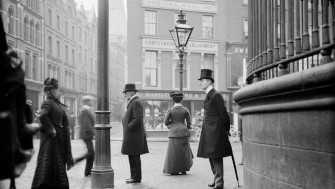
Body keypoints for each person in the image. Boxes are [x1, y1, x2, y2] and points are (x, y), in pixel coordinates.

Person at [31, 78, 74, 189]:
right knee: (46, 176)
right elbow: (43, 116)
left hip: (58, 145)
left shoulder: (57, 105)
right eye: (57, 90)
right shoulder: (48, 103)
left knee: (56, 175)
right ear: (51, 91)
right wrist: (51, 130)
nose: (59, 92)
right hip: (50, 145)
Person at [197, 69, 232, 189]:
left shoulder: (216, 95)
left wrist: (226, 129)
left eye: (202, 81)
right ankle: (216, 178)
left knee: (216, 156)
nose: (200, 83)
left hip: (215, 131)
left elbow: (223, 114)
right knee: (211, 156)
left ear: (208, 81)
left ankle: (219, 182)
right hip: (209, 131)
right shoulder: (209, 95)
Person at [121, 84, 149, 184]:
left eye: (126, 92)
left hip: (133, 135)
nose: (125, 95)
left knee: (134, 157)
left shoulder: (136, 102)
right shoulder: (133, 102)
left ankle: (136, 177)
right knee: (132, 156)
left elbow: (137, 119)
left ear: (131, 92)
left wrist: (128, 127)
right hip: (132, 135)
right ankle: (134, 177)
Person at [163, 92, 193, 175]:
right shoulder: (185, 109)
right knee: (183, 152)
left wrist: (172, 125)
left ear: (173, 100)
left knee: (174, 152)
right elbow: (189, 123)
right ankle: (183, 169)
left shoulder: (170, 110)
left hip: (173, 133)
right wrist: (186, 127)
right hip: (184, 131)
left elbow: (165, 122)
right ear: (181, 99)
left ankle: (174, 169)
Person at [78, 95, 95, 177]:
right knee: (91, 153)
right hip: (86, 135)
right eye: (91, 101)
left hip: (86, 134)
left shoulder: (86, 110)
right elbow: (87, 124)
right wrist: (93, 133)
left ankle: (88, 171)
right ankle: (77, 160)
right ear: (88, 102)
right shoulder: (85, 111)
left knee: (91, 153)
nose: (93, 102)